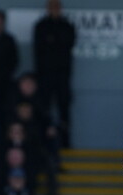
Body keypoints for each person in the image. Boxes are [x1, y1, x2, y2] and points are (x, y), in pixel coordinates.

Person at [32, 0, 76, 146]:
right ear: (47, 8)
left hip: (63, 75)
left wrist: (52, 42)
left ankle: (65, 142)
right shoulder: (41, 26)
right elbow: (40, 50)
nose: (54, 9)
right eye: (52, 7)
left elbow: (67, 44)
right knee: (44, 109)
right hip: (45, 76)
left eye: (57, 7)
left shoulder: (67, 26)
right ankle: (44, 142)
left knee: (64, 108)